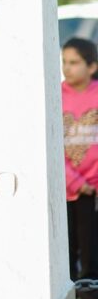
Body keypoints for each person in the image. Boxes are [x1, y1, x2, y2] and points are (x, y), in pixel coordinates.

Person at [63, 37, 98, 282]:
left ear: (92, 66)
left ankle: (90, 298)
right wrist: (74, 181)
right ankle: (69, 295)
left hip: (93, 189)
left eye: (74, 62)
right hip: (65, 188)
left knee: (92, 246)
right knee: (66, 246)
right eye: (64, 61)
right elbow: (51, 146)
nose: (67, 68)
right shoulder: (54, 97)